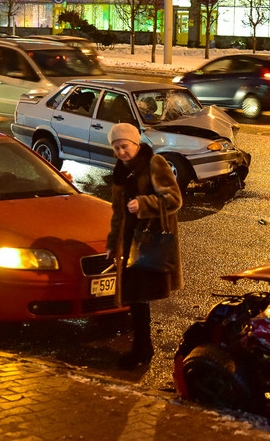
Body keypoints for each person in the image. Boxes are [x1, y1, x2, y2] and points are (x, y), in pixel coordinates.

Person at [105, 123, 182, 369]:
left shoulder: (154, 163)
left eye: (124, 146)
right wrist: (112, 243)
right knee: (135, 299)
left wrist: (144, 203)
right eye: (116, 147)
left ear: (136, 143)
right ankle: (142, 348)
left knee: (140, 298)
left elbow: (174, 199)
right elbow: (117, 212)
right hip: (128, 242)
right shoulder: (120, 172)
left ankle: (141, 350)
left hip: (147, 240)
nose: (121, 152)